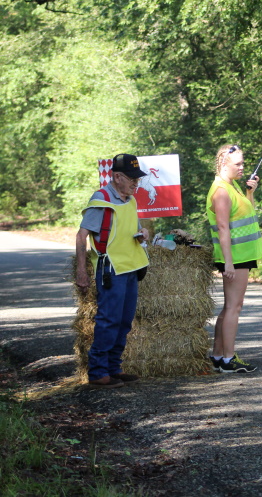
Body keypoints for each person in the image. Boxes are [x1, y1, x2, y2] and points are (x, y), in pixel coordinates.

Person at [76, 154, 150, 389]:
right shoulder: (101, 199)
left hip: (131, 267)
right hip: (111, 269)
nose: (135, 184)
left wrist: (143, 234)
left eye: (137, 179)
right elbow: (82, 235)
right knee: (109, 320)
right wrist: (81, 271)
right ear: (117, 177)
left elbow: (132, 230)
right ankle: (98, 372)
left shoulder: (130, 199)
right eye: (132, 179)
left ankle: (114, 368)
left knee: (124, 321)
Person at [206, 144, 262, 373]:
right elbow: (223, 228)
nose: (242, 168)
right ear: (223, 163)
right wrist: (228, 262)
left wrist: (251, 191)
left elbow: (247, 212)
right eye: (238, 164)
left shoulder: (233, 187)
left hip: (241, 255)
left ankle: (219, 356)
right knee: (234, 307)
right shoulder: (221, 190)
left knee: (230, 307)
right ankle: (229, 360)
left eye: (243, 163)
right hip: (235, 256)